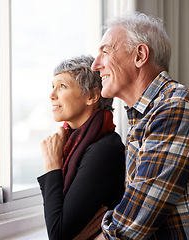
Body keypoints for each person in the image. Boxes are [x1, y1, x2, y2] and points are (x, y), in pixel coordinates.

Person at [90, 13, 189, 239]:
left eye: (105, 51)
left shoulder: (175, 109)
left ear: (140, 55)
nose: (96, 65)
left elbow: (132, 224)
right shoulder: (147, 114)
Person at [37, 55, 125, 240]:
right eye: (53, 87)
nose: (52, 95)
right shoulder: (70, 144)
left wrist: (52, 164)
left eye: (62, 86)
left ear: (92, 96)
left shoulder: (105, 149)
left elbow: (58, 234)